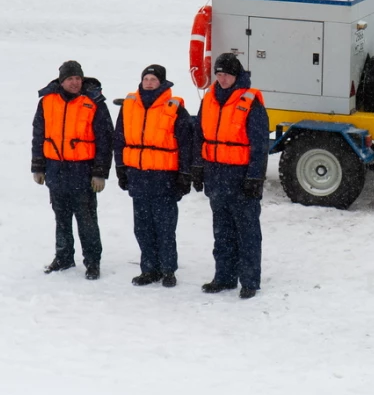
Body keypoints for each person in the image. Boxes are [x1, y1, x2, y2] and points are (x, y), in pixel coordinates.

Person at [192, 53, 269, 300]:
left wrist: (255, 177)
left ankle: (249, 280)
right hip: (216, 175)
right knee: (222, 231)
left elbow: (259, 144)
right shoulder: (209, 99)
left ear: (236, 76)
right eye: (219, 73)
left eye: (226, 74)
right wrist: (198, 168)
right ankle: (224, 277)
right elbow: (199, 136)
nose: (222, 78)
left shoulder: (250, 101)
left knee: (247, 231)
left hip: (240, 176)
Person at [31, 60, 114, 280]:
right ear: (62, 80)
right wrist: (38, 166)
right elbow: (39, 135)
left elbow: (105, 140)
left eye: (78, 78)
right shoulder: (47, 101)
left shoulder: (94, 102)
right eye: (70, 79)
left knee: (87, 219)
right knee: (61, 217)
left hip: (83, 170)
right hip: (55, 169)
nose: (75, 83)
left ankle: (92, 261)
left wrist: (99, 172)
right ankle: (64, 257)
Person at [114, 64, 193, 288]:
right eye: (146, 78)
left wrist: (184, 174)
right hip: (137, 175)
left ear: (162, 82)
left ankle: (168, 270)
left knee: (165, 227)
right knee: (142, 227)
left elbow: (186, 143)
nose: (149, 82)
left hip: (164, 177)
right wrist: (121, 168)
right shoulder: (129, 105)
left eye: (153, 79)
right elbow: (119, 138)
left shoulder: (174, 107)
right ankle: (149, 269)